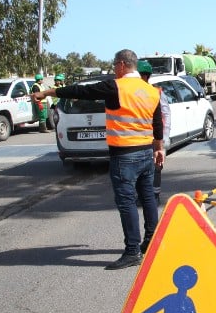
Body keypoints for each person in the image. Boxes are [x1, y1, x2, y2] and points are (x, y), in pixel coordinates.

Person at [32, 49, 164, 270]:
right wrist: (158, 149)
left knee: (127, 202)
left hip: (124, 155)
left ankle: (132, 251)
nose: (114, 69)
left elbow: (81, 91)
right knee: (148, 196)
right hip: (145, 153)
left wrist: (47, 93)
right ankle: (152, 240)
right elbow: (157, 123)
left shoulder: (116, 87)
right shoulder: (151, 91)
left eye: (115, 65)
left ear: (122, 65)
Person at [138, 60, 171, 205]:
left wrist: (165, 137)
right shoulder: (133, 93)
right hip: (140, 139)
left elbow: (166, 114)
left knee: (156, 166)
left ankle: (155, 195)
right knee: (142, 169)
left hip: (155, 138)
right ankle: (143, 196)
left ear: (144, 76)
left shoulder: (156, 92)